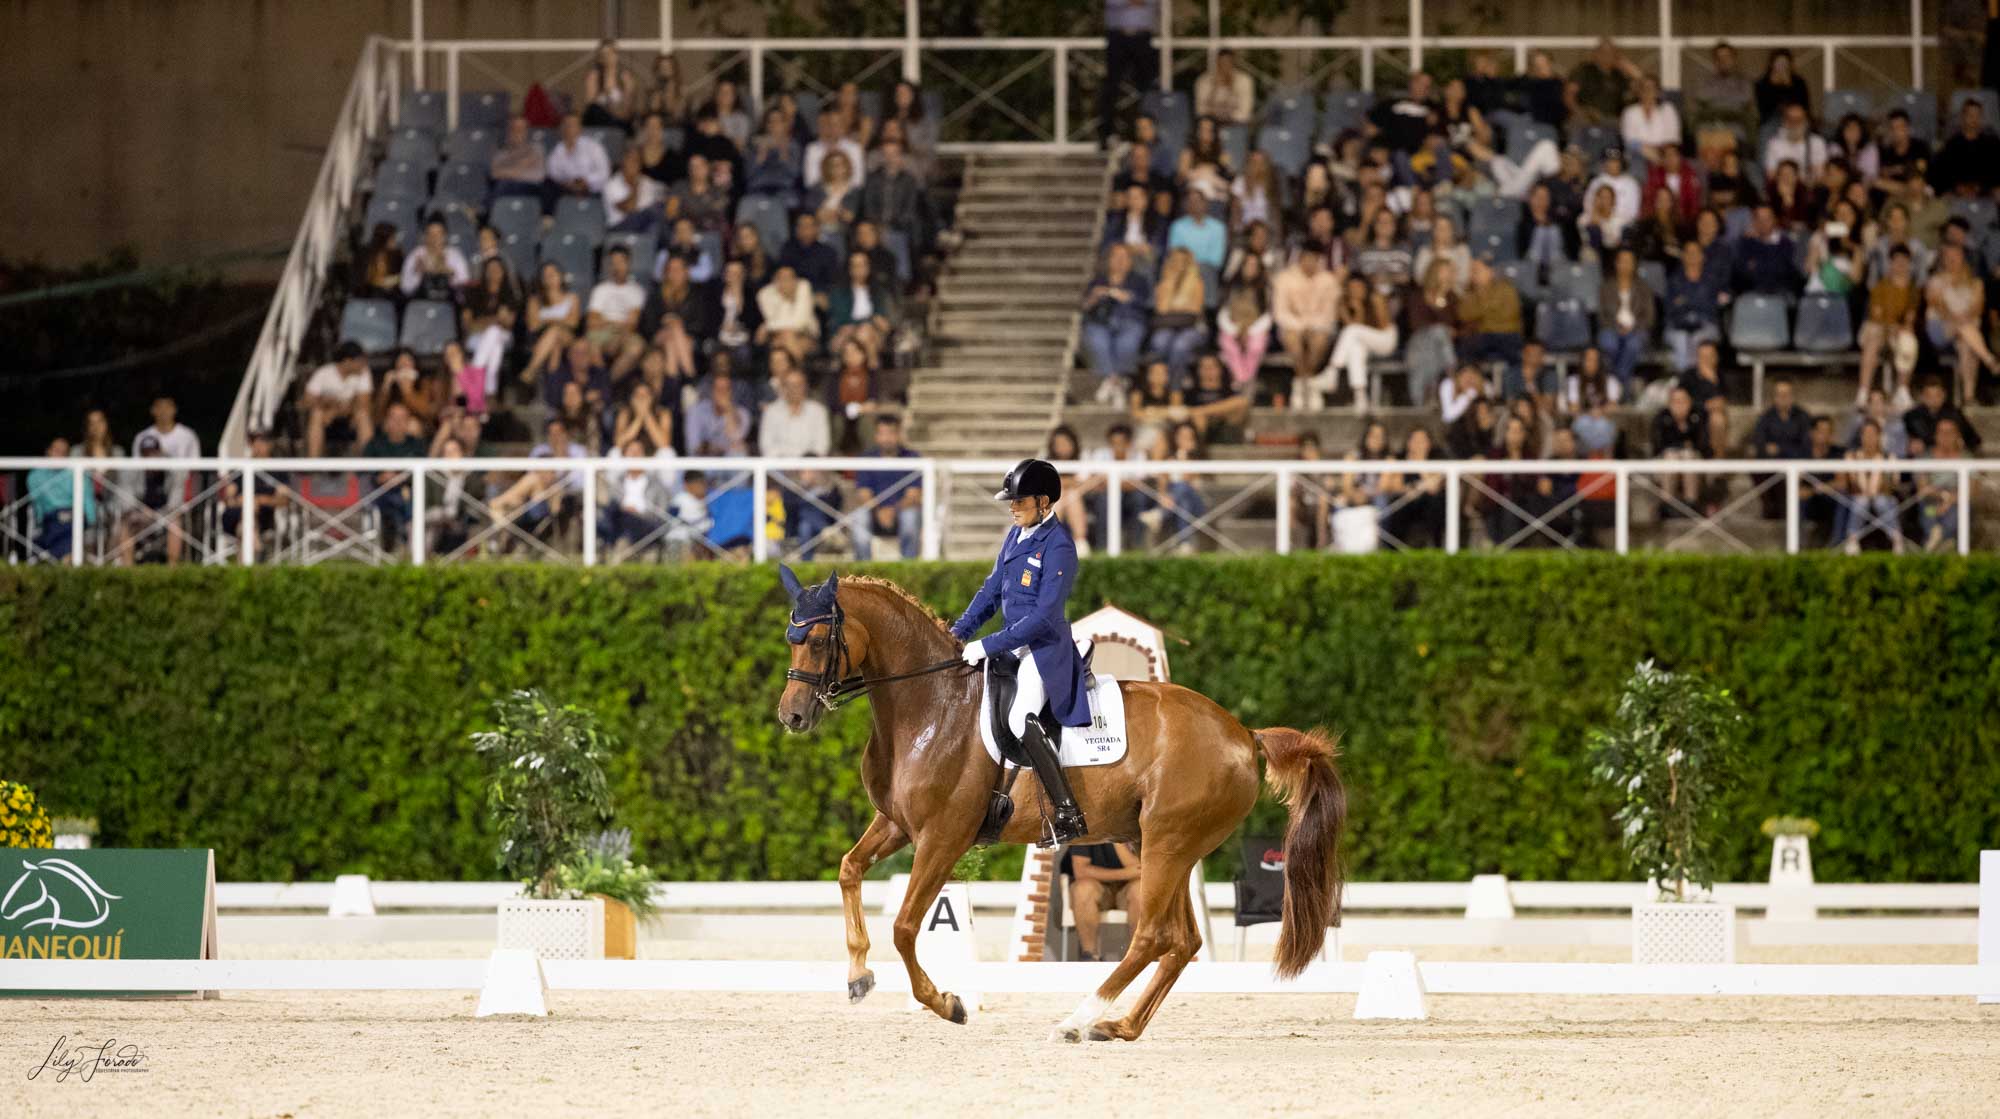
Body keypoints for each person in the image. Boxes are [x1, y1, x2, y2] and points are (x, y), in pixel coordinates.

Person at [952, 459, 1092, 844]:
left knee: (1020, 717)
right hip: (1014, 648)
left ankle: (1066, 811)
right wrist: (958, 632)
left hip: (1044, 651)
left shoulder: (1060, 547)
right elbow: (991, 591)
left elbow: (1045, 618)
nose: (1012, 507)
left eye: (1019, 501)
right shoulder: (1016, 536)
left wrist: (988, 644)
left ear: (1043, 502)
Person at [1924, 243, 1998, 402]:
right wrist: (1957, 318)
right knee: (1966, 329)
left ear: (1962, 258)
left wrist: (1964, 317)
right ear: (1943, 260)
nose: (1952, 260)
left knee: (1966, 344)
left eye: (1955, 256)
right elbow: (1937, 305)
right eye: (1948, 257)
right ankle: (1989, 359)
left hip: (1967, 330)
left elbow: (1978, 308)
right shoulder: (1936, 281)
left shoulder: (1975, 282)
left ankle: (1968, 396)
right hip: (1941, 328)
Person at [1081, 243, 1153, 401]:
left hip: (1130, 321)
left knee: (1127, 344)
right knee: (1097, 340)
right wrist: (1095, 296)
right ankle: (1116, 381)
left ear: (1130, 261)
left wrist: (1128, 298)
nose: (1120, 261)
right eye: (1116, 256)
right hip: (1101, 322)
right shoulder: (1099, 280)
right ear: (1109, 260)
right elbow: (1085, 306)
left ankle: (1110, 382)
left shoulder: (1139, 280)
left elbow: (1147, 304)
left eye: (1124, 257)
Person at [1319, 275, 1396, 414]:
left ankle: (1332, 371)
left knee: (1354, 332)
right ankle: (1360, 397)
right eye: (1352, 288)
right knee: (1355, 348)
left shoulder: (1376, 298)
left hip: (1385, 339)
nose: (1355, 291)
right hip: (1362, 341)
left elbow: (1383, 326)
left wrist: (1360, 309)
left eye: (1358, 287)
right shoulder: (1343, 303)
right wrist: (1357, 309)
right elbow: (1350, 328)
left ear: (1365, 287)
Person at [1063, 842, 1139, 960]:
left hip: (1129, 890)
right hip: (1099, 889)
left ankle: (1137, 957)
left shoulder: (1142, 827)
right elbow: (1081, 870)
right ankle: (1090, 956)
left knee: (1142, 889)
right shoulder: (1086, 828)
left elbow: (1142, 870)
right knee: (1082, 889)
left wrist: (1117, 841)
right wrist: (1126, 873)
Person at [1099, 0, 1158, 145]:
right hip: (1117, 37)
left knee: (1148, 87)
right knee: (1111, 88)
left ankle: (1147, 133)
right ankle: (1107, 135)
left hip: (1143, 37)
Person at [1596, 248, 1655, 394]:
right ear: (1616, 263)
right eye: (1622, 261)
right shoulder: (1606, 286)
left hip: (1637, 329)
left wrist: (1633, 326)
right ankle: (1624, 387)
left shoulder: (1644, 287)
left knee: (1633, 345)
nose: (1626, 265)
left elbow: (1650, 316)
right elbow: (1601, 315)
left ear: (1635, 264)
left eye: (1629, 261)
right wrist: (1617, 327)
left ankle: (1617, 383)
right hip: (1611, 328)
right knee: (1609, 344)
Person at [1689, 41, 1758, 166]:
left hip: (1735, 131)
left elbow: (1744, 101)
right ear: (1715, 61)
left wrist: (1714, 106)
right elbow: (1700, 100)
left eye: (1727, 57)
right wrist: (1730, 107)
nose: (1723, 61)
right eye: (1719, 58)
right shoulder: (1706, 82)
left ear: (1734, 59)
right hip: (1709, 130)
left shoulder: (1744, 82)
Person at [27, 437, 95, 561]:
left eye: (64, 453)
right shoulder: (36, 475)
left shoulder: (76, 472)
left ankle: (55, 556)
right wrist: (41, 518)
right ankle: (66, 558)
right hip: (52, 517)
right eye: (57, 451)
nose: (60, 456)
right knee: (63, 526)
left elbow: (87, 500)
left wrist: (90, 518)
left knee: (72, 525)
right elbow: (38, 506)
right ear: (48, 451)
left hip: (76, 515)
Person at [303, 341, 375, 457]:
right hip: (326, 421)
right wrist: (326, 403)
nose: (363, 364)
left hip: (350, 419)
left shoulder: (364, 372)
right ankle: (313, 465)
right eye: (360, 361)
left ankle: (366, 468)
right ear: (347, 361)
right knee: (317, 414)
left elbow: (364, 403)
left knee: (363, 415)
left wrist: (335, 410)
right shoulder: (324, 373)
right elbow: (307, 401)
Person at [1148, 248, 1207, 386]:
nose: (1179, 264)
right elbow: (1161, 309)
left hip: (1193, 327)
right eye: (1176, 261)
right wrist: (1170, 284)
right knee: (1159, 342)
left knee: (1180, 346)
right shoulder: (1163, 283)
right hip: (1168, 326)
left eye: (1183, 261)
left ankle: (1176, 382)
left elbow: (1195, 310)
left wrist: (1173, 306)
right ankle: (1162, 380)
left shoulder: (1197, 282)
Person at [1928, 99, 2000, 197]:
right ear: (1963, 117)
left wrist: (1980, 187)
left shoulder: (1991, 144)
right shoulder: (1952, 144)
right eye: (1970, 115)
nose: (1974, 119)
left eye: (1978, 115)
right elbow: (1943, 171)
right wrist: (1957, 187)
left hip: (1984, 190)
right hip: (1956, 190)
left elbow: (1994, 171)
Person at [547, 112, 612, 199]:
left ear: (580, 128)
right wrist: (568, 183)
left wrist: (585, 181)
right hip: (567, 189)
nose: (568, 128)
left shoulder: (593, 147)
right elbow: (553, 172)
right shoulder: (558, 149)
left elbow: (604, 172)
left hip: (591, 190)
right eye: (566, 125)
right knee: (548, 185)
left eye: (572, 125)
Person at [491, 114, 547, 200]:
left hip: (531, 189)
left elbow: (539, 175)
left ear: (526, 132)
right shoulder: (501, 154)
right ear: (508, 132)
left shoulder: (536, 149)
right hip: (507, 188)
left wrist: (507, 171)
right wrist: (521, 167)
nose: (517, 133)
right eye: (514, 129)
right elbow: (495, 173)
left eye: (521, 129)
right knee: (501, 185)